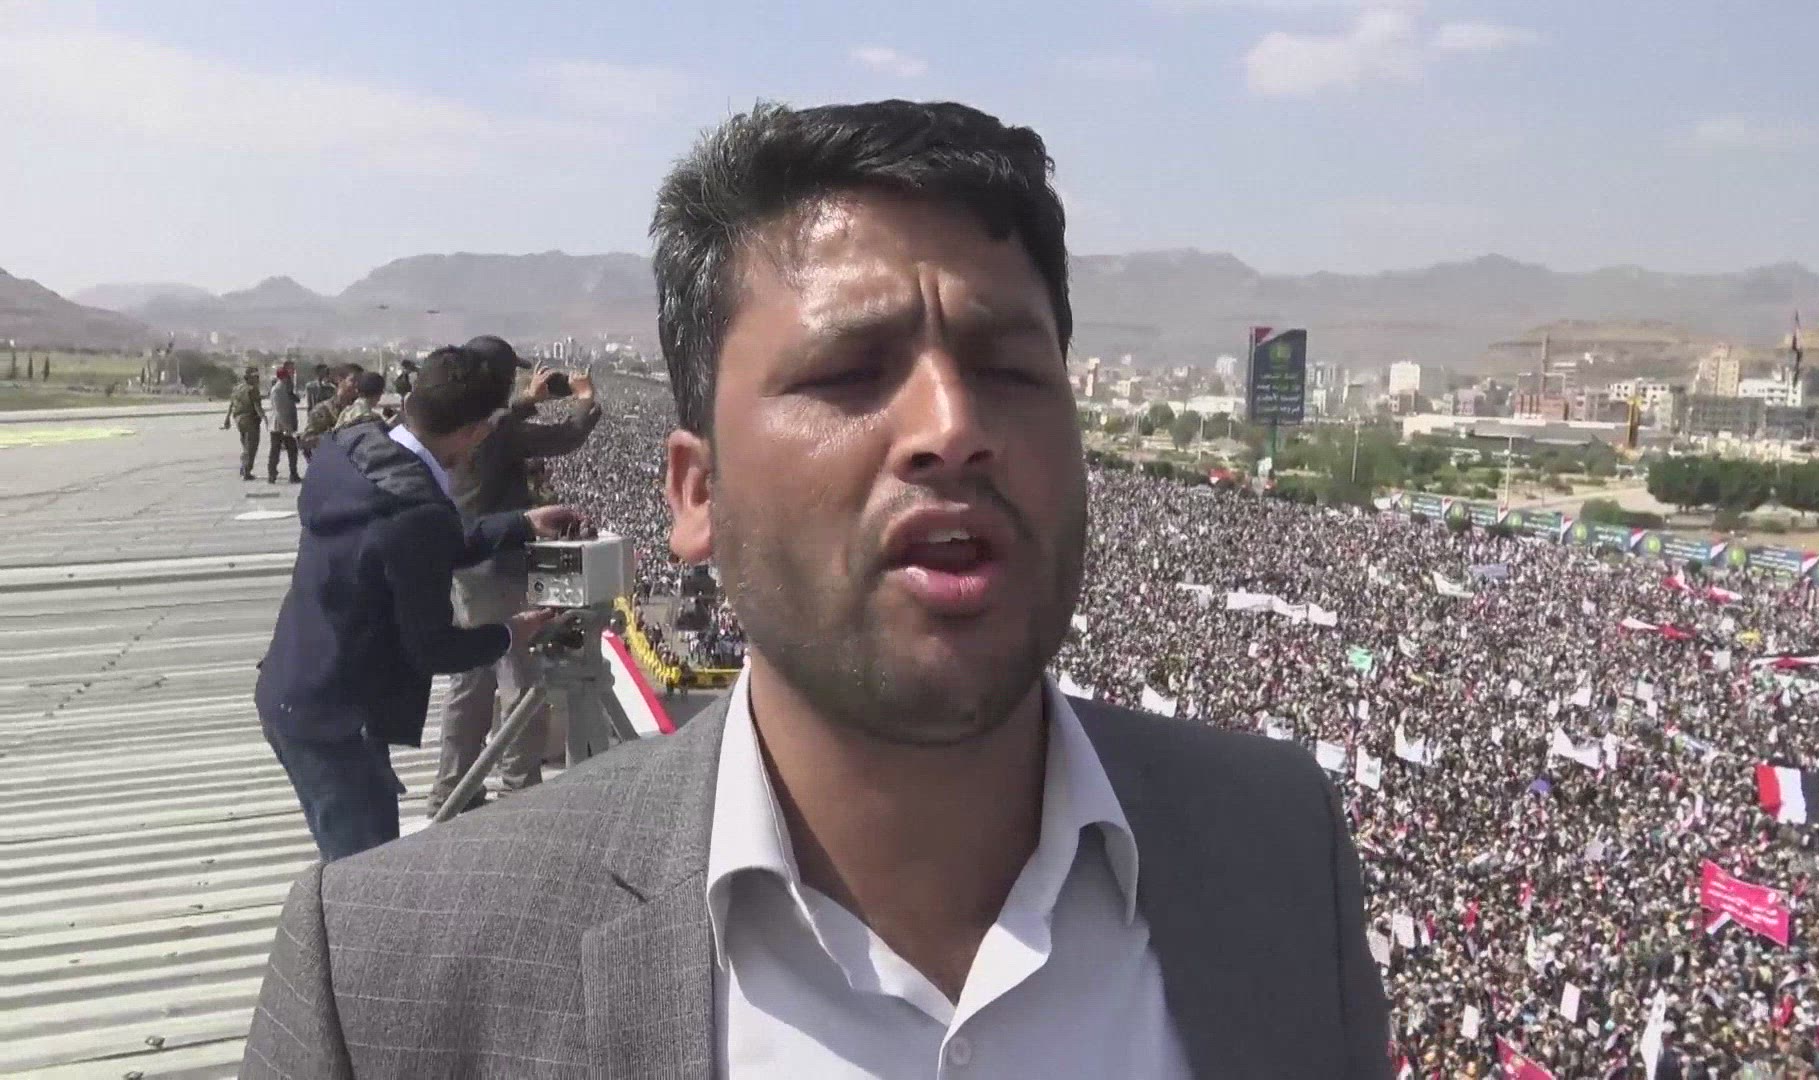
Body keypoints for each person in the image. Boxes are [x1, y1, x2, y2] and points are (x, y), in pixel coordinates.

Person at [243, 100, 1389, 1079]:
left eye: (1008, 368)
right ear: (697, 493)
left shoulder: (1281, 855)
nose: (952, 426)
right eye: (848, 371)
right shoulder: (392, 984)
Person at [251, 344, 583, 864]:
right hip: (335, 720)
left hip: (297, 686)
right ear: (476, 431)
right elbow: (432, 647)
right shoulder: (415, 511)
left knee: (356, 865)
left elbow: (419, 548)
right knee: (368, 876)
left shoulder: (354, 447)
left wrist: (521, 523)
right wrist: (510, 633)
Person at [425, 334, 602, 817]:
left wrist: (526, 401)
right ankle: (520, 788)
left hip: (465, 566)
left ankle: (452, 787)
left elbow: (497, 426)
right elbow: (565, 437)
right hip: (500, 569)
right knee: (520, 680)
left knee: (471, 682)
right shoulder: (497, 431)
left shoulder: (456, 422)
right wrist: (585, 399)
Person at [221, 365, 264, 480]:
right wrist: (265, 418)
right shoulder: (252, 389)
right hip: (250, 419)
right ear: (249, 377)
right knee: (251, 447)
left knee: (246, 446)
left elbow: (231, 404)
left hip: (239, 420)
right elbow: (257, 406)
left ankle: (244, 467)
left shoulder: (237, 388)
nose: (258, 378)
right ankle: (246, 471)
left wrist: (227, 419)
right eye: (256, 376)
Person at [265, 363, 302, 484]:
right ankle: (272, 474)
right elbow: (279, 411)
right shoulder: (278, 390)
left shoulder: (286, 388)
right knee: (276, 451)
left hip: (285, 424)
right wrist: (288, 428)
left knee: (291, 451)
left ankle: (292, 474)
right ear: (283, 377)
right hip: (279, 426)